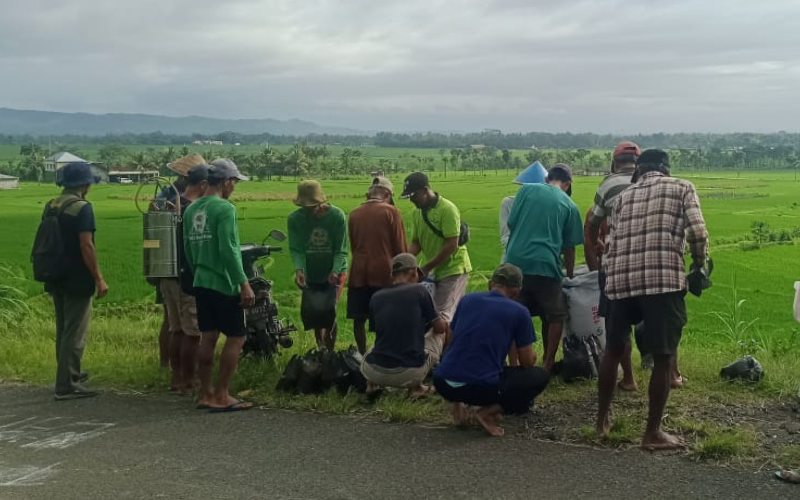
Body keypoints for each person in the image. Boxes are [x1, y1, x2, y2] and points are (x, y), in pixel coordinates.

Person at [596, 149, 709, 450]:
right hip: (662, 281)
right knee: (663, 356)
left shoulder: (622, 198)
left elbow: (610, 242)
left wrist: (610, 276)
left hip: (619, 280)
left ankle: (601, 421)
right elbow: (697, 231)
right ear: (666, 170)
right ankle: (652, 434)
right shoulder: (682, 187)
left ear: (638, 172)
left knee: (613, 350)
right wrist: (699, 263)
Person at [433, 264, 550, 437]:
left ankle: (457, 406)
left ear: (490, 284)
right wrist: (530, 354)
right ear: (517, 291)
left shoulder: (468, 300)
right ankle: (487, 412)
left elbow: (450, 340)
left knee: (461, 362)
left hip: (443, 382)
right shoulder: (519, 312)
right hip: (481, 389)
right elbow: (527, 362)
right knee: (540, 376)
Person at [183, 158, 254, 412]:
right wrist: (243, 283)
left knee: (208, 336)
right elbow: (229, 250)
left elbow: (189, 249)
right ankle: (222, 395)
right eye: (234, 182)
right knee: (236, 337)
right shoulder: (225, 209)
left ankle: (205, 393)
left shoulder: (191, 209)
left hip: (200, 280)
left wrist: (199, 272)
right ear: (225, 182)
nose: (234, 187)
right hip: (223, 283)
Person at [505, 163, 584, 372]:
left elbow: (512, 224)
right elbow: (569, 249)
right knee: (555, 315)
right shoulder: (569, 205)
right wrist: (569, 275)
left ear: (547, 178)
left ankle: (513, 365)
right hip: (546, 265)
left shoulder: (526, 190)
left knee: (513, 312)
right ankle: (547, 365)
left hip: (515, 262)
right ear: (567, 184)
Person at [44, 162, 108, 400]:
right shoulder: (82, 207)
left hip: (55, 274)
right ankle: (67, 384)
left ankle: (69, 373)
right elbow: (86, 245)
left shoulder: (52, 205)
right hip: (77, 277)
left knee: (64, 328)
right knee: (75, 332)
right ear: (84, 184)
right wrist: (99, 278)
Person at [584, 141, 642, 391]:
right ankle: (672, 373)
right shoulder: (656, 183)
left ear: (615, 162)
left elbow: (592, 222)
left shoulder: (608, 184)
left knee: (618, 326)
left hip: (615, 266)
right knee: (660, 321)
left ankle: (628, 378)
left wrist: (597, 243)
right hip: (651, 265)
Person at [360, 253, 447, 398]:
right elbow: (439, 328)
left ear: (392, 275)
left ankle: (371, 385)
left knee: (377, 344)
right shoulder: (420, 290)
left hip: (373, 371)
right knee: (442, 333)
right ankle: (418, 387)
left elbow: (378, 331)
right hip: (408, 373)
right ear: (413, 272)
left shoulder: (376, 297)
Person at [159, 157, 209, 391]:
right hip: (184, 276)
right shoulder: (191, 209)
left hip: (167, 274)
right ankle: (190, 379)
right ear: (202, 185)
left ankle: (176, 378)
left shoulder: (169, 202)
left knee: (176, 328)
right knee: (192, 332)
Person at [347, 176, 407, 354]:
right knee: (384, 318)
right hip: (384, 274)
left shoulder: (354, 213)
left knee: (359, 318)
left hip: (358, 273)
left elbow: (354, 245)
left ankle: (363, 355)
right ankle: (383, 354)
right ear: (387, 194)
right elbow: (401, 249)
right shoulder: (391, 212)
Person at [402, 172, 471, 323]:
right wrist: (404, 262)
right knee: (431, 313)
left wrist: (426, 267)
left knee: (440, 316)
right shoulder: (416, 213)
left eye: (414, 195)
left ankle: (442, 347)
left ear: (426, 190)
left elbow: (452, 244)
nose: (412, 200)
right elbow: (416, 242)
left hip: (453, 268)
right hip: (435, 270)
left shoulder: (447, 209)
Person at [288, 180, 348, 350]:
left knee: (329, 312)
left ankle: (330, 350)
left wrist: (335, 270)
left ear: (320, 202)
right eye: (305, 206)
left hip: (335, 271)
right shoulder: (295, 219)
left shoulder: (337, 216)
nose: (308, 209)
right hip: (310, 272)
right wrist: (300, 270)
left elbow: (341, 250)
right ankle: (321, 349)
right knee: (315, 312)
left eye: (311, 206)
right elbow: (296, 249)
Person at [499, 161, 547, 262]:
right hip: (514, 257)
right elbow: (505, 237)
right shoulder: (509, 203)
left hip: (541, 258)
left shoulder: (549, 205)